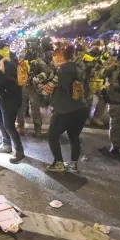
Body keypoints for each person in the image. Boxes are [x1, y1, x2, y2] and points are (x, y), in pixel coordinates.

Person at [44, 44, 88, 172]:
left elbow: (47, 90)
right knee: (74, 137)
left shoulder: (61, 71)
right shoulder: (79, 68)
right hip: (81, 108)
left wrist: (39, 85)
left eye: (54, 55)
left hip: (64, 110)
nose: (53, 58)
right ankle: (73, 165)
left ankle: (59, 163)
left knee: (52, 136)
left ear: (60, 56)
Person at [0, 41, 25, 163]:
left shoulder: (9, 62)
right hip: (3, 96)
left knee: (9, 125)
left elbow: (0, 76)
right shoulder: (9, 58)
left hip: (10, 98)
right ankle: (7, 144)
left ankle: (19, 151)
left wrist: (0, 64)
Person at [16, 40, 51, 137]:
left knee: (35, 109)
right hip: (23, 87)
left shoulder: (38, 60)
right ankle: (20, 127)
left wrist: (36, 78)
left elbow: (47, 71)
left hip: (32, 87)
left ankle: (37, 129)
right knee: (21, 108)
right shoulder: (22, 58)